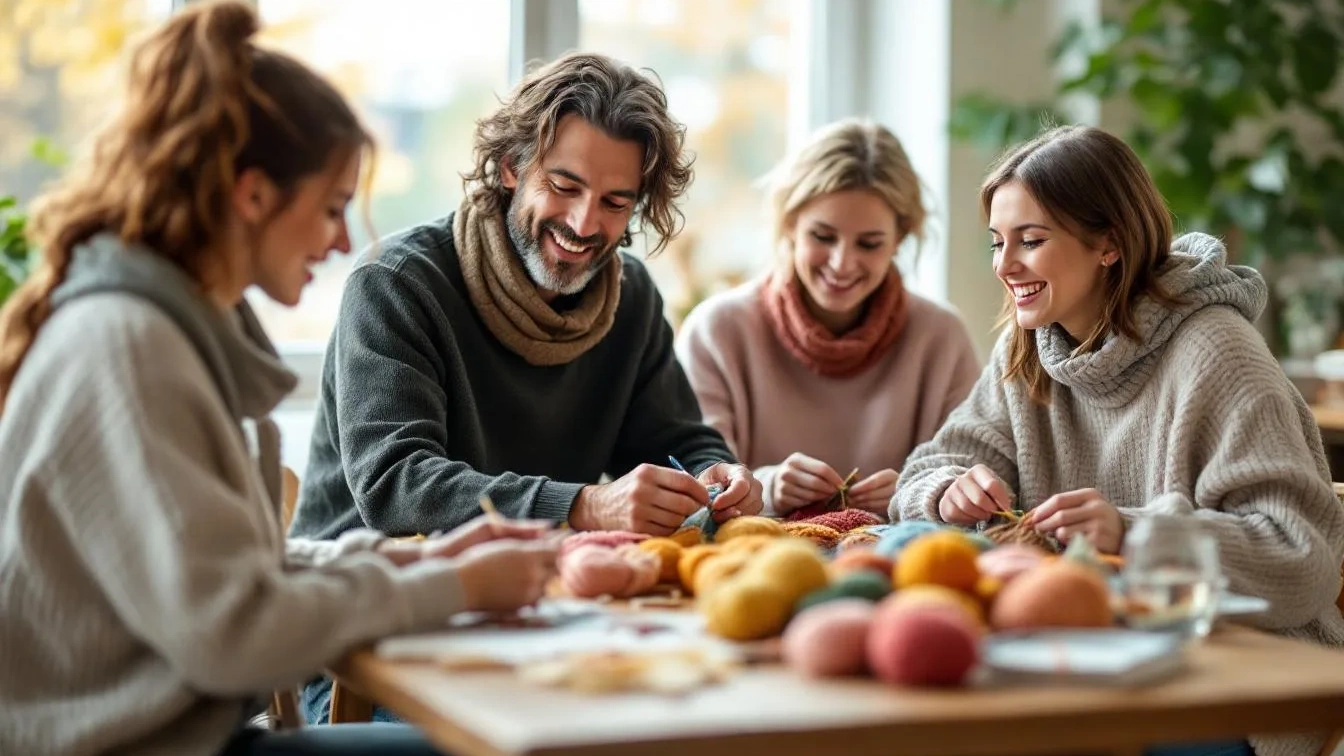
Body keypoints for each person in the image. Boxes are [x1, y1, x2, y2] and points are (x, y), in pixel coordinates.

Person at [0, 3, 560, 755]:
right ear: (253, 195)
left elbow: (231, 576)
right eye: (331, 208)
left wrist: (418, 557)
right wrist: (454, 588)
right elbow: (233, 634)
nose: (345, 242)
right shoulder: (132, 348)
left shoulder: (162, 332)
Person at [893, 125, 1344, 756]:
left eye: (1031, 240)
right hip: (1091, 657)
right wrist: (947, 491)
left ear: (1107, 242)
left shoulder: (1218, 354)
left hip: (1233, 679)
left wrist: (1132, 533)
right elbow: (923, 472)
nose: (1005, 265)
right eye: (998, 242)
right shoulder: (1027, 351)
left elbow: (1303, 561)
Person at [289, 51, 763, 543]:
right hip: (359, 586)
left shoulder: (631, 296)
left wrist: (716, 472)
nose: (583, 224)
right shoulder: (396, 283)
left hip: (524, 584)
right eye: (564, 186)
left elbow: (672, 438)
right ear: (512, 167)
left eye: (615, 203)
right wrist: (585, 504)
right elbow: (396, 487)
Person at [675, 119, 980, 520]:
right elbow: (693, 487)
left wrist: (918, 490)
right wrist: (767, 488)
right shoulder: (716, 331)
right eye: (822, 236)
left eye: (869, 244)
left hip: (898, 570)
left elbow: (972, 479)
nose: (842, 263)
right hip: (752, 563)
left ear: (900, 238)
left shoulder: (942, 337)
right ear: (790, 224)